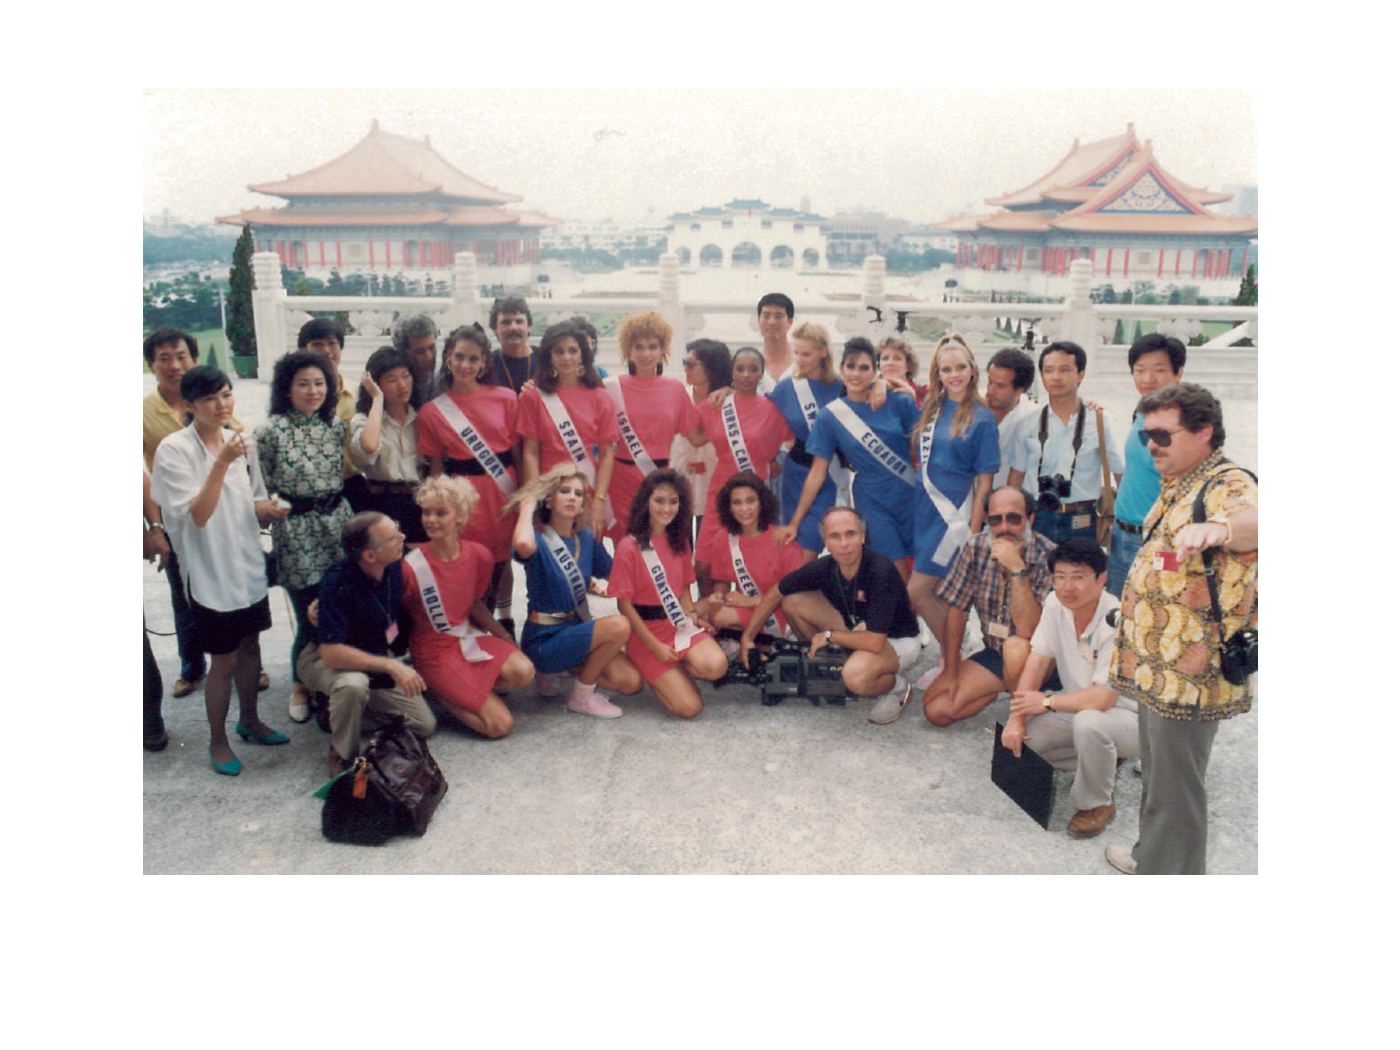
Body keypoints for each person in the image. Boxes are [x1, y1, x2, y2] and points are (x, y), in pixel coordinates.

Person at [1103, 383, 1257, 876]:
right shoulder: (1181, 483)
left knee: (1177, 790)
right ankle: (1152, 856)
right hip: (1159, 670)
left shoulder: (1225, 483)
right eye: (1146, 435)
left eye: (1163, 435)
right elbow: (1173, 559)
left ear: (1204, 431)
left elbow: (1258, 521)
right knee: (1161, 779)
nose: (1151, 445)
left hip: (1189, 676)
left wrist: (1224, 530)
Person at [151, 366, 290, 776]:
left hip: (245, 564)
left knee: (251, 647)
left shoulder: (241, 442)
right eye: (210, 398)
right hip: (208, 572)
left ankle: (250, 720)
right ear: (190, 404)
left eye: (226, 394)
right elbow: (197, 514)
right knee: (223, 660)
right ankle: (218, 740)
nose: (221, 404)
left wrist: (271, 509)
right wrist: (222, 462)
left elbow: (255, 502)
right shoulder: (174, 450)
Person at [1002, 538, 1139, 839]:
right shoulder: (1055, 603)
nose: (1067, 587)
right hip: (1078, 705)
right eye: (1060, 577)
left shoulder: (1117, 620)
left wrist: (1046, 703)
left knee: (1090, 723)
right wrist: (1017, 717)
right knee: (1026, 743)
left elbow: (1103, 698)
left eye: (1078, 577)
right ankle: (1103, 758)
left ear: (1102, 579)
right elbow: (1038, 660)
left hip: (1130, 717)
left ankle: (1097, 803)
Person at [739, 507, 922, 725]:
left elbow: (874, 642)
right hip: (857, 628)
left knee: (855, 677)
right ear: (826, 541)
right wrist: (747, 638)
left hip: (896, 640)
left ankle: (898, 687)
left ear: (863, 537)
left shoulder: (881, 570)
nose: (844, 544)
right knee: (792, 601)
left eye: (850, 534)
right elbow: (776, 593)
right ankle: (827, 663)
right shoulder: (826, 566)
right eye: (835, 536)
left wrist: (829, 636)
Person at [143, 326, 249, 698]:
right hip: (176, 517)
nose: (174, 365)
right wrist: (155, 527)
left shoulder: (218, 404)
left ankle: (246, 663)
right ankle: (191, 665)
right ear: (151, 365)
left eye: (181, 356)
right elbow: (141, 475)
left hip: (221, 517)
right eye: (164, 358)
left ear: (194, 358)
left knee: (234, 587)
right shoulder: (143, 413)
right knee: (185, 591)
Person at [297, 512, 439, 777]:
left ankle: (336, 713)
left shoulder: (393, 564)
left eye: (397, 529)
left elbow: (432, 559)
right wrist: (391, 665)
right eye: (393, 537)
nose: (402, 537)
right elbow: (331, 653)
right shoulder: (337, 582)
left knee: (423, 724)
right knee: (353, 684)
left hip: (372, 655)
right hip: (325, 659)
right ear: (370, 555)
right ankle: (342, 755)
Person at [256, 350, 354, 725]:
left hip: (336, 524)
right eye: (303, 384)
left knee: (338, 608)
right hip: (297, 530)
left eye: (319, 383)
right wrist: (276, 507)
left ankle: (331, 685)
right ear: (287, 388)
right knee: (308, 612)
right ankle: (300, 683)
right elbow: (259, 488)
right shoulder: (269, 432)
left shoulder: (335, 427)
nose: (313, 391)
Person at [401, 476, 535, 738]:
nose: (431, 520)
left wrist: (503, 635)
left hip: (466, 638)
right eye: (426, 512)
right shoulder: (410, 567)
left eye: (441, 513)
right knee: (499, 726)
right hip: (433, 652)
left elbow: (473, 602)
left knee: (524, 671)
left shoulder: (479, 555)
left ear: (460, 517)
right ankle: (438, 692)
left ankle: (465, 686)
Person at [508, 464, 643, 717]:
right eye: (564, 491)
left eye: (578, 494)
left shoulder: (586, 538)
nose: (572, 497)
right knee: (619, 625)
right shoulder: (537, 538)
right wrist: (527, 505)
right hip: (544, 639)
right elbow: (522, 544)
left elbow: (615, 574)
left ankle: (561, 671)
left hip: (576, 629)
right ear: (549, 499)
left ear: (582, 505)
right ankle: (581, 696)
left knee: (630, 682)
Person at [781, 338, 921, 576]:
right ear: (842, 369)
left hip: (911, 495)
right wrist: (795, 522)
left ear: (875, 372)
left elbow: (923, 450)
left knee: (922, 575)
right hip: (872, 501)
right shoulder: (830, 417)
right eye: (851, 366)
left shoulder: (900, 402)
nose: (856, 374)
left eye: (864, 368)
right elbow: (817, 472)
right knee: (897, 574)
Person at [923, 486, 1059, 727]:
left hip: (1043, 659)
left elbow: (1029, 630)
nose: (1004, 527)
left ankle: (1024, 716)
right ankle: (1004, 687)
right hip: (997, 653)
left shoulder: (1049, 556)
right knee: (937, 710)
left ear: (1030, 519)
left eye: (1014, 518)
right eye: (996, 520)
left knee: (1016, 648)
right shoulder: (975, 548)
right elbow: (956, 612)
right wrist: (950, 672)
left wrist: (1017, 569)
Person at [417, 324, 521, 634]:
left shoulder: (506, 398)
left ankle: (496, 629)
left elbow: (518, 452)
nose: (465, 365)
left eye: (473, 359)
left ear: (484, 362)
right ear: (448, 357)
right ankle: (471, 633)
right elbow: (436, 470)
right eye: (459, 357)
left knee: (500, 564)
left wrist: (524, 497)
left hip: (502, 494)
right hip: (463, 498)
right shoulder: (432, 412)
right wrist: (437, 512)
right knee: (468, 568)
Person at [905, 335, 1000, 656]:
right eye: (946, 369)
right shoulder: (932, 408)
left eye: (960, 367)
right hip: (924, 510)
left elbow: (985, 483)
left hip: (953, 515)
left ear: (972, 369)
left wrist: (972, 532)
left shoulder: (983, 418)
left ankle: (954, 656)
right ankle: (955, 658)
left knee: (917, 591)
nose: (954, 375)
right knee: (939, 593)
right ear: (938, 374)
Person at [609, 469, 728, 718]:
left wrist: (691, 616)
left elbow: (683, 587)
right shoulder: (628, 546)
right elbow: (624, 606)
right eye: (659, 501)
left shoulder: (679, 540)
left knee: (717, 666)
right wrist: (655, 647)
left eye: (673, 502)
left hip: (675, 623)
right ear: (646, 502)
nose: (667, 509)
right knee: (690, 708)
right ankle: (661, 672)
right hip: (646, 632)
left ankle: (677, 667)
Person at [690, 346, 793, 589]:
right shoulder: (717, 404)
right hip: (721, 489)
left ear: (761, 373)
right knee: (704, 563)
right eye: (740, 369)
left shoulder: (772, 408)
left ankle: (745, 608)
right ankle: (712, 609)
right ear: (732, 372)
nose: (746, 375)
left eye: (753, 369)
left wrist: (775, 461)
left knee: (750, 561)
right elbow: (694, 435)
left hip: (756, 494)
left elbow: (791, 438)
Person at [1008, 341, 1123, 544]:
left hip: (1082, 519)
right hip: (1037, 516)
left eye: (1065, 370)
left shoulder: (1100, 422)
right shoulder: (1028, 423)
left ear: (1080, 374)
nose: (1056, 377)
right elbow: (1016, 477)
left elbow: (1120, 473)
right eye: (1048, 370)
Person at [604, 311, 700, 541]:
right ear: (628, 350)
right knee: (626, 547)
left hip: (662, 480)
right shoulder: (610, 388)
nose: (646, 354)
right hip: (621, 480)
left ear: (663, 349)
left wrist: (726, 397)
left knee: (663, 547)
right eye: (638, 347)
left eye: (652, 346)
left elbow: (697, 437)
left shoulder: (675, 389)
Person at [517, 321, 619, 536]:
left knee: (583, 553)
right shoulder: (533, 397)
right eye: (559, 351)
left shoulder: (601, 397)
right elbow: (530, 452)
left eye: (573, 351)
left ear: (583, 355)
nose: (566, 357)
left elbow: (607, 454)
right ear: (549, 356)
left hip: (585, 494)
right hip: (548, 493)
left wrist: (599, 500)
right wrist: (534, 498)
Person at [1108, 333, 1186, 596]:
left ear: (1178, 373)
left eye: (1159, 370)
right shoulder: (1143, 412)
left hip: (1157, 540)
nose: (1147, 379)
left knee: (1156, 609)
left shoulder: (1183, 423)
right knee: (1117, 611)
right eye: (1140, 370)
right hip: (1121, 535)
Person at [766, 323, 844, 559]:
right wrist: (729, 392)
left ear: (823, 352)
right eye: (796, 353)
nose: (799, 360)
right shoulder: (786, 388)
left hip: (830, 477)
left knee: (808, 549)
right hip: (795, 476)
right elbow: (759, 413)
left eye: (806, 354)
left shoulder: (842, 387)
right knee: (792, 550)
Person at [696, 471, 805, 637]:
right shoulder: (723, 538)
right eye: (737, 503)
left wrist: (751, 601)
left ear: (762, 503)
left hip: (777, 613)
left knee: (719, 617)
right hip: (743, 606)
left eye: (750, 501)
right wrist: (719, 595)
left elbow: (795, 597)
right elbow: (722, 580)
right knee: (696, 610)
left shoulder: (782, 541)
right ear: (729, 507)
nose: (744, 509)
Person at [347, 345, 426, 543]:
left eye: (406, 376)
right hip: (381, 503)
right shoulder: (365, 420)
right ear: (376, 384)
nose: (402, 385)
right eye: (391, 380)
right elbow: (369, 447)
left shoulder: (422, 416)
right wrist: (377, 399)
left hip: (419, 501)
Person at [669, 340, 725, 542]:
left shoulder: (728, 399)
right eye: (684, 363)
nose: (686, 369)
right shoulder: (677, 394)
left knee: (709, 546)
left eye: (691, 364)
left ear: (711, 367)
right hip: (680, 475)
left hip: (715, 478)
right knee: (680, 544)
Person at [983, 346, 1039, 490]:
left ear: (1020, 390)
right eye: (989, 381)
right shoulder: (969, 405)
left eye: (1000, 386)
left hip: (1008, 498)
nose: (990, 390)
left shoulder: (1033, 417)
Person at [297, 318, 355, 424]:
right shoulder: (296, 395)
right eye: (317, 345)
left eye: (332, 343)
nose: (326, 351)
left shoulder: (357, 393)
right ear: (303, 350)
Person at [485, 296, 543, 395]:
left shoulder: (545, 360)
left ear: (529, 326)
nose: (513, 327)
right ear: (495, 329)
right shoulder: (487, 365)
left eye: (519, 321)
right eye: (506, 322)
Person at [392, 312, 441, 399]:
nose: (429, 357)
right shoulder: (391, 387)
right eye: (420, 352)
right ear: (403, 352)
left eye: (432, 348)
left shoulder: (446, 383)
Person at [755, 292, 795, 392]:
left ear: (789, 322)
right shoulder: (750, 363)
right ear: (759, 320)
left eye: (778, 316)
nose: (771, 322)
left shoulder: (802, 362)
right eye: (766, 316)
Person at [878, 334, 925, 404]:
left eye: (897, 358)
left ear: (908, 365)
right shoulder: (868, 392)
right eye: (885, 358)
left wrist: (912, 400)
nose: (890, 363)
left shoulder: (923, 394)